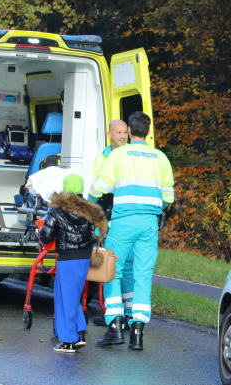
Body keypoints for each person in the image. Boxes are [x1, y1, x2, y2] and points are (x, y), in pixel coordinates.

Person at [90, 112, 174, 350]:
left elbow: (99, 188)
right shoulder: (161, 158)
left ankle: (115, 327)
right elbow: (168, 197)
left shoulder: (118, 155)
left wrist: (89, 206)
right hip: (149, 224)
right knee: (142, 275)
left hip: (123, 222)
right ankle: (137, 332)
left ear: (128, 132)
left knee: (111, 272)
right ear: (147, 132)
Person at [39, 174, 108, 353]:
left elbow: (46, 235)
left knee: (64, 298)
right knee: (74, 295)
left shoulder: (57, 209)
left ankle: (68, 340)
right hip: (84, 257)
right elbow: (99, 233)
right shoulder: (91, 210)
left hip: (66, 257)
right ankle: (79, 331)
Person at [90, 119, 134, 328]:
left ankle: (126, 314)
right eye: (118, 132)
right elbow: (101, 188)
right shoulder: (102, 158)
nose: (122, 136)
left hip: (127, 214)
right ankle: (114, 313)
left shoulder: (132, 154)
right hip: (109, 212)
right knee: (110, 264)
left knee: (126, 266)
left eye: (125, 132)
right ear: (109, 135)